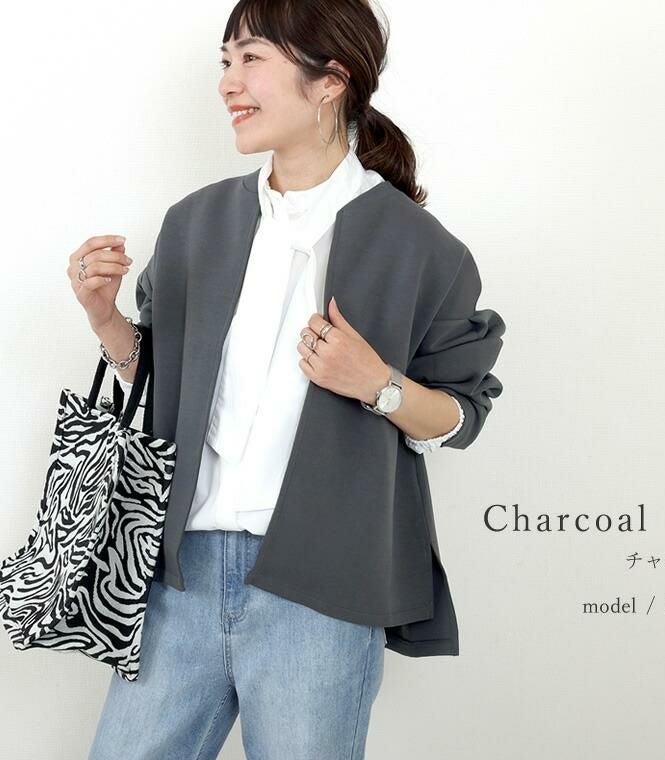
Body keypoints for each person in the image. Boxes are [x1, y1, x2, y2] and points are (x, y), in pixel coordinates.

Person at [69, 2, 505, 758]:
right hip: (180, 575)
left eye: (251, 58)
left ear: (330, 80)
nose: (228, 82)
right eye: (225, 61)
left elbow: (461, 417)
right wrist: (106, 318)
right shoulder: (196, 223)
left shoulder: (421, 249)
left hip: (321, 586)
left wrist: (377, 383)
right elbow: (163, 386)